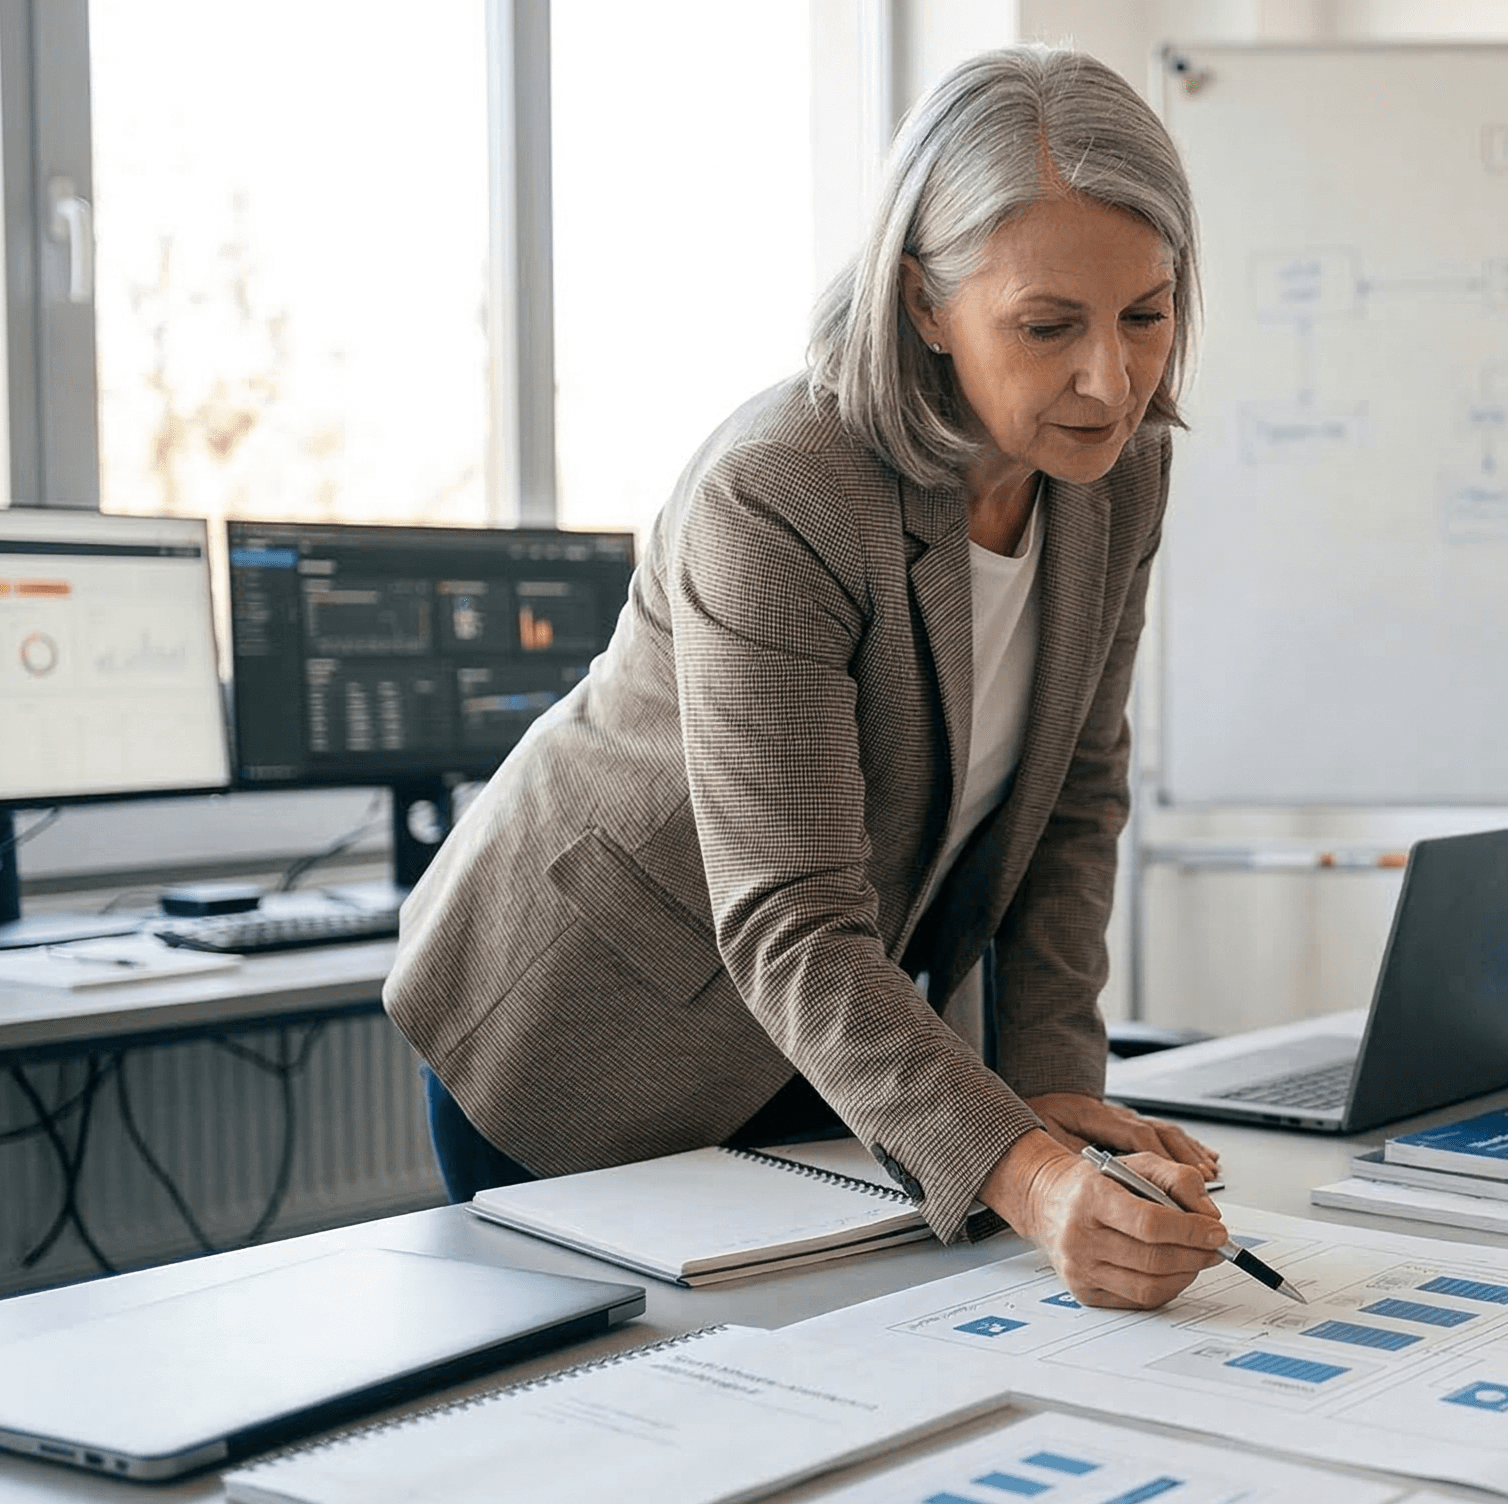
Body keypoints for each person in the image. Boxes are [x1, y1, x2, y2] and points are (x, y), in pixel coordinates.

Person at [387, 46, 1230, 1310]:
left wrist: (1054, 1088)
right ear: (922, 305)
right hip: (599, 1025)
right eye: (1048, 325)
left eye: (1144, 314)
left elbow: (1072, 800)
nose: (1109, 379)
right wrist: (1027, 1170)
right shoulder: (781, 488)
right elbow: (789, 912)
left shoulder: (1115, 472)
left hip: (841, 1034)